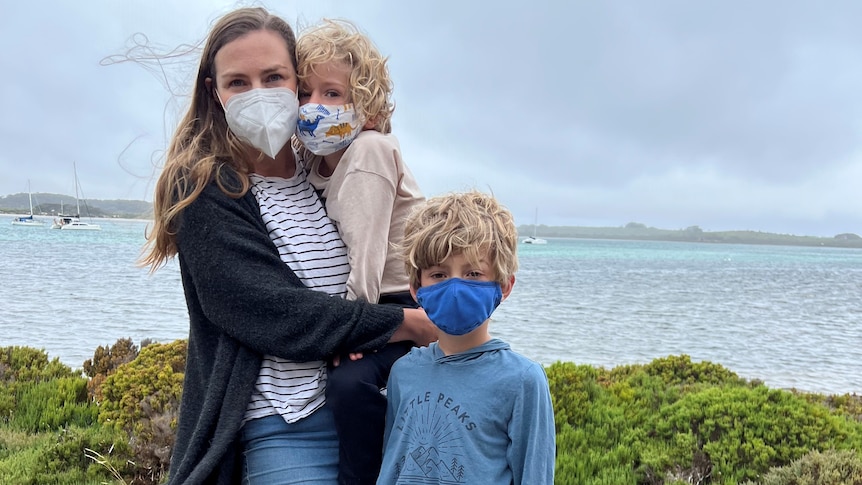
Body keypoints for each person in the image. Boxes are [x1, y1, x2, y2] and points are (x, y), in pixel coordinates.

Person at [139, 7, 436, 485]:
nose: (258, 94)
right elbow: (274, 311)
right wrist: (406, 324)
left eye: (274, 77)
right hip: (290, 430)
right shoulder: (206, 187)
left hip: (380, 406)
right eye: (238, 81)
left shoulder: (322, 168)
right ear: (214, 92)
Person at [292, 19, 425, 485]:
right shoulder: (312, 157)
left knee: (350, 384)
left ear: (364, 107)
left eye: (332, 94)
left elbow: (365, 261)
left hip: (393, 300)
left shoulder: (367, 151)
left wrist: (352, 332)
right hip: (370, 304)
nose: (314, 107)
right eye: (304, 93)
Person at [377, 191, 556, 484]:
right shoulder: (403, 372)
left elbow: (535, 475)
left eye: (473, 273)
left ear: (504, 286)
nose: (456, 287)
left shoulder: (523, 380)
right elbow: (393, 461)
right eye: (438, 274)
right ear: (415, 288)